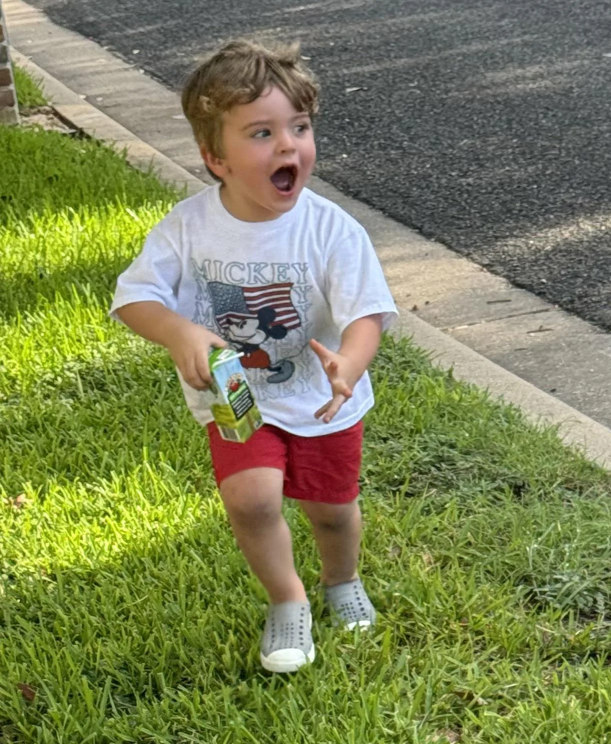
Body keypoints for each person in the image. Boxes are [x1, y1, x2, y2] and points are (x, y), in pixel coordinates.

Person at [111, 39, 397, 673]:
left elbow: (366, 315)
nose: (288, 146)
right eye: (262, 133)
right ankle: (287, 598)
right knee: (252, 500)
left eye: (299, 127)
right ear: (216, 158)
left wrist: (349, 364)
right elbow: (133, 299)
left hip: (322, 402)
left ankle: (341, 579)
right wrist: (178, 332)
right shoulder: (188, 229)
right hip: (237, 402)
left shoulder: (331, 230)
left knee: (332, 509)